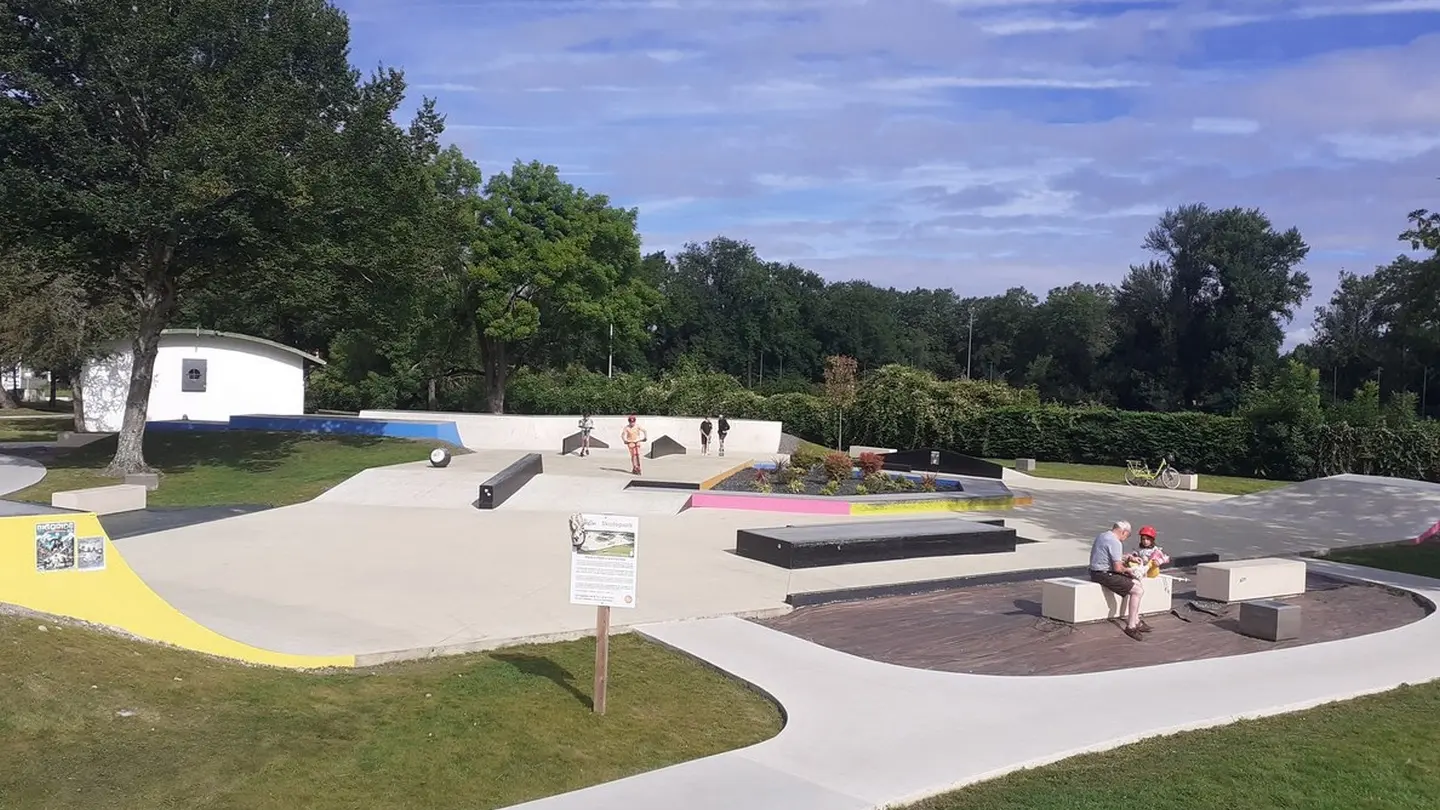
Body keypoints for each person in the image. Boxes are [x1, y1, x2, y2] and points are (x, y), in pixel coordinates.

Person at [1088, 520, 1148, 641]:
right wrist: (1130, 570)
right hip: (1104, 574)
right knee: (1137, 591)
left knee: (1136, 583)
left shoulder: (1103, 535)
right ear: (1124, 532)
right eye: (1127, 535)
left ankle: (1136, 620)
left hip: (1095, 571)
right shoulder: (1115, 542)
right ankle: (1131, 626)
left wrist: (1128, 557)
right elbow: (1118, 568)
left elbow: (1109, 556)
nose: (1125, 538)